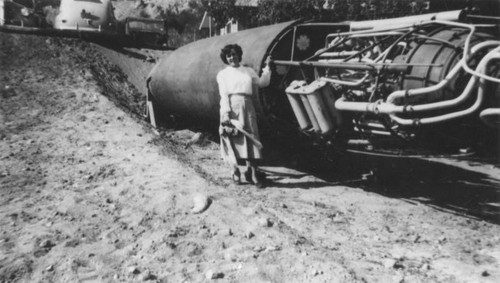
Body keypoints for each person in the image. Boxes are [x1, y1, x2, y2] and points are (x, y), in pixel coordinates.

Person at [216, 43, 272, 188]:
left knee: (251, 138)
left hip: (248, 106)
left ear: (239, 55)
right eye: (228, 56)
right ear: (225, 58)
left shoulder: (248, 71)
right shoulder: (223, 74)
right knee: (233, 139)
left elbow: (262, 83)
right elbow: (224, 95)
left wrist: (267, 67)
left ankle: (252, 173)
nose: (232, 58)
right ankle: (235, 171)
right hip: (232, 107)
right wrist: (225, 113)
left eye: (234, 54)